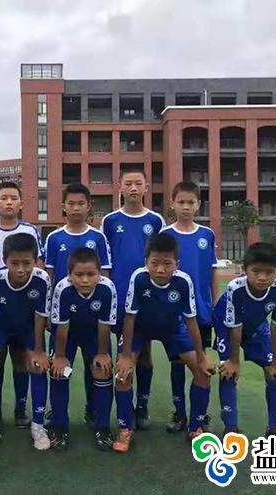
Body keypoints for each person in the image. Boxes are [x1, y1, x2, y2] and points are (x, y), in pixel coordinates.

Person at [113, 233, 215, 453]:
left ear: (177, 264)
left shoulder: (183, 281)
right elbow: (129, 318)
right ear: (146, 262)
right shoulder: (139, 278)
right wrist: (125, 356)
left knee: (202, 372)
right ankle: (125, 428)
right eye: (155, 263)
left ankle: (196, 427)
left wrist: (201, 356)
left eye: (167, 264)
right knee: (122, 374)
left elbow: (191, 320)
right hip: (140, 329)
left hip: (172, 328)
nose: (160, 269)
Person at [0, 181, 44, 428]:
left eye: (14, 198)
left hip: (24, 305)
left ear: (21, 203)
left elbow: (39, 265)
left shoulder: (30, 230)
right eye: (4, 198)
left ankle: (20, 408)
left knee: (21, 358)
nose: (9, 202)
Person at [101, 169, 165, 430]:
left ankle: (143, 404)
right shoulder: (110, 221)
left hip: (147, 297)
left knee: (145, 352)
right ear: (120, 187)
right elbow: (105, 261)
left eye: (138, 183)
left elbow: (162, 259)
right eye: (128, 183)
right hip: (118, 297)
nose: (134, 188)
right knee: (119, 352)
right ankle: (117, 411)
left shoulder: (156, 220)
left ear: (146, 187)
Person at [0, 233, 52, 450]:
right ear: (4, 261)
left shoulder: (42, 279)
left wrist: (38, 350)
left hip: (27, 327)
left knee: (35, 364)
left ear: (36, 261)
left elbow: (40, 316)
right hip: (1, 326)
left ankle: (37, 424)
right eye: (14, 263)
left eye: (27, 263)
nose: (21, 269)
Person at [44, 182, 111, 427]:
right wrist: (49, 313)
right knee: (60, 369)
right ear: (63, 206)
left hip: (93, 318)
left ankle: (94, 412)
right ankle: (58, 418)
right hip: (63, 317)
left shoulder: (98, 237)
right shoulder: (54, 238)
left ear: (89, 206)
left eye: (80, 203)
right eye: (71, 204)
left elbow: (105, 275)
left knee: (97, 367)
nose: (75, 208)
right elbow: (49, 276)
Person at [213, 242, 276, 446]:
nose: (262, 277)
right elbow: (235, 328)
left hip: (256, 325)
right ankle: (231, 427)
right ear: (244, 269)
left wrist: (275, 362)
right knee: (228, 371)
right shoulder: (235, 288)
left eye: (269, 272)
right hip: (226, 324)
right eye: (256, 271)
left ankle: (275, 428)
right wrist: (233, 361)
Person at [160, 181, 218, 433]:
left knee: (201, 363)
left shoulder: (207, 235)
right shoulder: (165, 235)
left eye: (190, 202)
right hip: (175, 313)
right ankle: (180, 413)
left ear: (198, 205)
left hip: (202, 312)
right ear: (172, 204)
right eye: (181, 202)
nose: (185, 207)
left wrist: (214, 304)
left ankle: (198, 415)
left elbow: (212, 271)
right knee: (177, 365)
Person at [49, 248, 117, 451]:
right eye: (79, 275)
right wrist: (60, 356)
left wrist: (102, 353)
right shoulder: (63, 289)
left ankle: (101, 426)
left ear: (100, 274)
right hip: (67, 336)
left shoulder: (107, 288)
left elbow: (104, 326)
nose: (85, 280)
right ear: (69, 275)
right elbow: (62, 328)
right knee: (60, 372)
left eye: (91, 274)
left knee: (102, 370)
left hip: (94, 334)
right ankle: (60, 427)